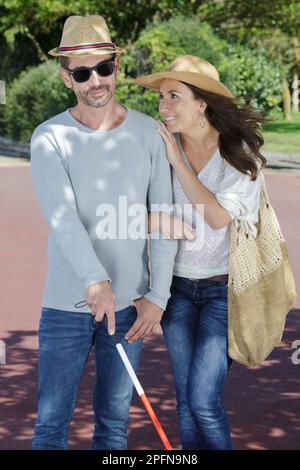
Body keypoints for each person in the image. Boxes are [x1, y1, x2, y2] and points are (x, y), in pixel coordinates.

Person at [30, 15, 177, 450]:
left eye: (103, 68)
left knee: (114, 427)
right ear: (65, 77)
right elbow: (62, 216)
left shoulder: (151, 133)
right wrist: (96, 281)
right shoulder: (49, 137)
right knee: (51, 427)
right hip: (65, 306)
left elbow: (164, 219)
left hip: (130, 308)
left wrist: (159, 296)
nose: (95, 81)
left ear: (116, 64)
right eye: (81, 72)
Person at [135, 55, 266, 450]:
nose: (163, 108)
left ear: (202, 102)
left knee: (203, 400)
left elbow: (217, 217)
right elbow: (134, 208)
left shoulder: (238, 155)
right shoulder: (160, 149)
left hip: (223, 293)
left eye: (174, 96)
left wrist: (179, 163)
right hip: (175, 290)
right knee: (185, 401)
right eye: (161, 97)